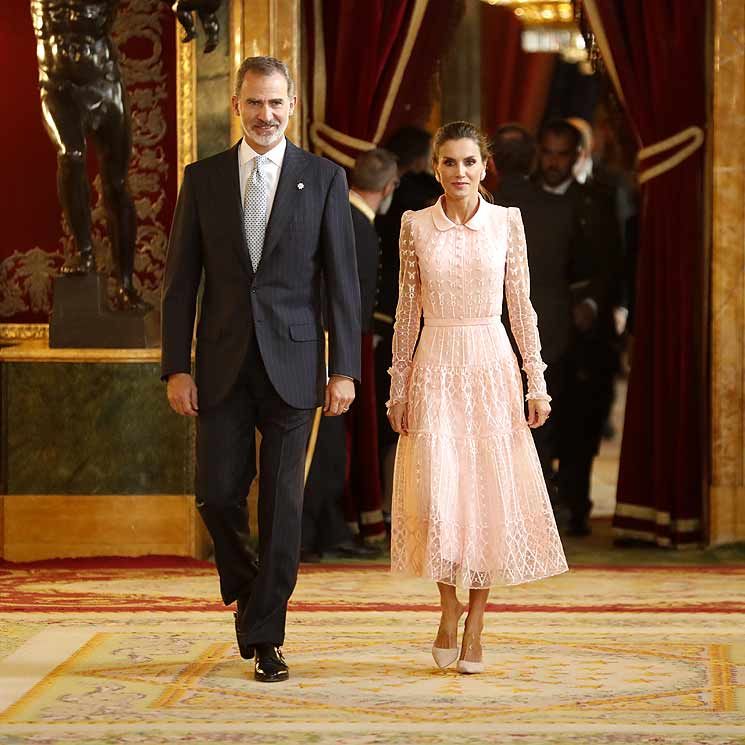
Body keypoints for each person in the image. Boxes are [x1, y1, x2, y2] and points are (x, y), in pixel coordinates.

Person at [161, 56, 360, 683]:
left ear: (292, 106)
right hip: (218, 368)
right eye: (254, 103)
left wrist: (345, 368)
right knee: (217, 497)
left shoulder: (324, 178)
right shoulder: (204, 179)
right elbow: (179, 284)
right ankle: (251, 587)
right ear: (237, 107)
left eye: (276, 103)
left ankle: (266, 635)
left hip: (297, 365)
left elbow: (342, 285)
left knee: (283, 508)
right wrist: (175, 366)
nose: (265, 114)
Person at [387, 121, 567, 674]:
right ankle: (447, 610)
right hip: (435, 366)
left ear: (485, 166)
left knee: (488, 499)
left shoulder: (507, 224)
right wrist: (398, 388)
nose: (459, 172)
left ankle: (478, 623)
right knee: (442, 496)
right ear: (435, 166)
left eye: (469, 162)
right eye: (448, 162)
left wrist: (536, 381)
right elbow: (406, 313)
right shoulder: (414, 226)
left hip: (492, 366)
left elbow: (523, 306)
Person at [30, 0, 218, 310]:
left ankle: (125, 284)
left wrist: (201, 8)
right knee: (71, 155)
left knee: (116, 185)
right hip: (56, 87)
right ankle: (85, 252)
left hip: (103, 85)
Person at [491, 124, 594, 516]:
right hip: (546, 326)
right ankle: (539, 513)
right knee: (544, 424)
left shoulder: (488, 207)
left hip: (491, 330)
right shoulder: (555, 208)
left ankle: (512, 511)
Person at [301, 148, 397, 560]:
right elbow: (343, 293)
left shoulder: (351, 217)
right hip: (331, 344)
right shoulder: (352, 221)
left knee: (332, 442)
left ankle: (327, 528)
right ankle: (313, 532)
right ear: (389, 187)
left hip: (337, 341)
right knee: (324, 443)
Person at [535, 118, 623, 535]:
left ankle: (576, 506)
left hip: (583, 336)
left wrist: (591, 303)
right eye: (548, 153)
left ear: (577, 157)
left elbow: (612, 263)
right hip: (533, 331)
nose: (553, 162)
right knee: (535, 428)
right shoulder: (519, 198)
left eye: (561, 154)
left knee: (579, 426)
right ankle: (538, 509)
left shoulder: (596, 201)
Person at [375, 127, 441, 532]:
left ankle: (391, 509)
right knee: (407, 431)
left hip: (427, 330)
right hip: (410, 330)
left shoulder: (501, 221)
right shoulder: (414, 215)